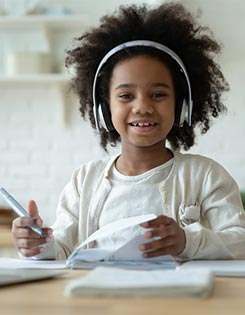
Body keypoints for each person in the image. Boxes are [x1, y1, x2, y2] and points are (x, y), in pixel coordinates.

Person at [12, 2, 245, 260]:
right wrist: (37, 244)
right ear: (104, 108)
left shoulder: (206, 176)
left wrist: (186, 241)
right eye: (126, 95)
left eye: (158, 94)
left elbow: (239, 243)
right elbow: (62, 248)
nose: (142, 107)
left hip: (180, 300)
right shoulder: (84, 181)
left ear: (182, 106)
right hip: (101, 298)